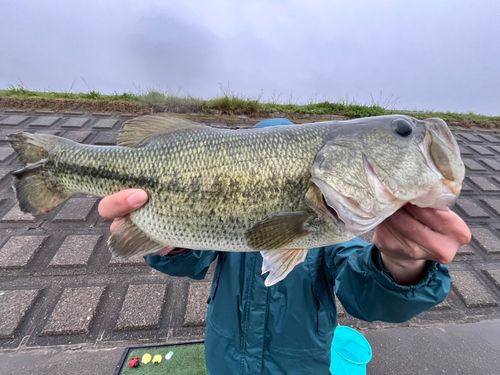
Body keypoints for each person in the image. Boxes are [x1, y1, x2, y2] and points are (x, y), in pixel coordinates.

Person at [98, 119, 471, 375]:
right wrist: (166, 243)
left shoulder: (335, 225)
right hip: (225, 360)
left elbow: (365, 294)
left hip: (302, 364)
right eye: (403, 132)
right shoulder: (322, 217)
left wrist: (403, 265)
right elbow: (193, 260)